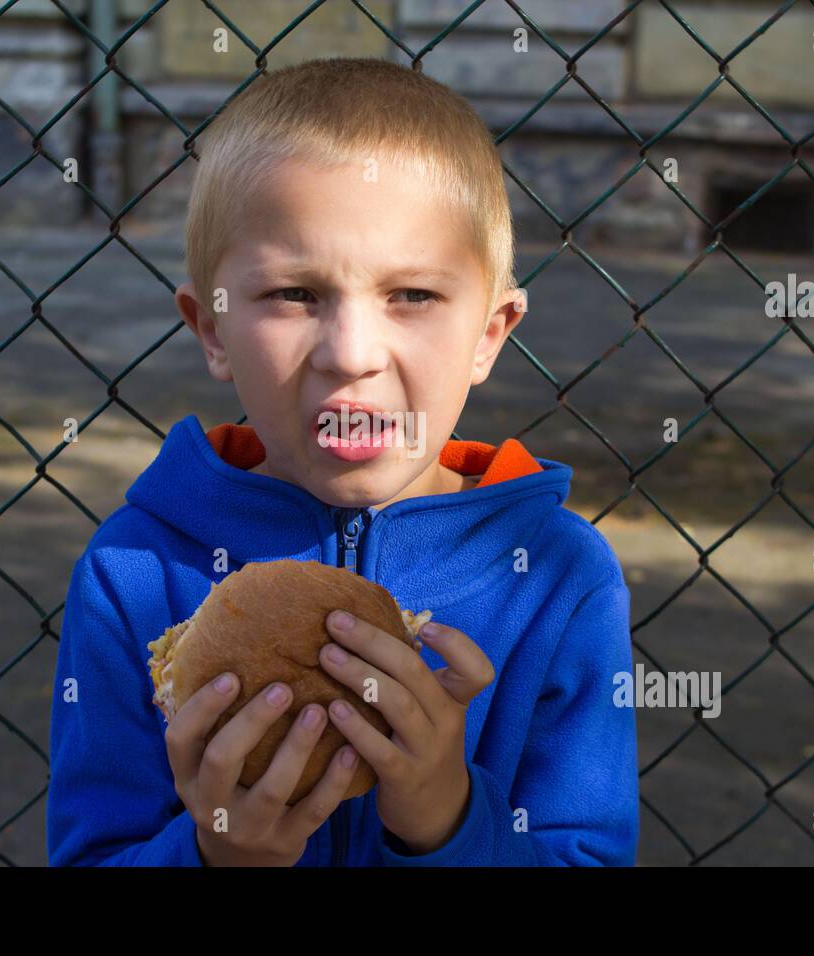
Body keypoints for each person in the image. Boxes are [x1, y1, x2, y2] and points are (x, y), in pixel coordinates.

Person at [47, 56, 637, 866]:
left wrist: (446, 820)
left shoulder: (560, 580)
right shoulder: (132, 573)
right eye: (295, 294)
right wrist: (219, 857)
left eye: (414, 296)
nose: (352, 354)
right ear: (212, 328)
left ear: (490, 334)